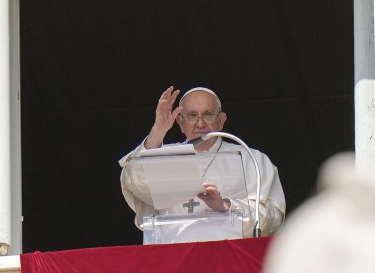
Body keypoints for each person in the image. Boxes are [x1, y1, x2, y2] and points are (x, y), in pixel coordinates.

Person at [119, 86, 286, 239]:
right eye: (192, 115)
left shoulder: (252, 159)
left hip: (229, 258)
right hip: (174, 257)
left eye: (207, 114)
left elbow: (273, 218)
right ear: (180, 122)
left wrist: (225, 205)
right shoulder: (162, 156)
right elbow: (133, 181)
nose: (200, 123)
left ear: (221, 120)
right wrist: (158, 130)